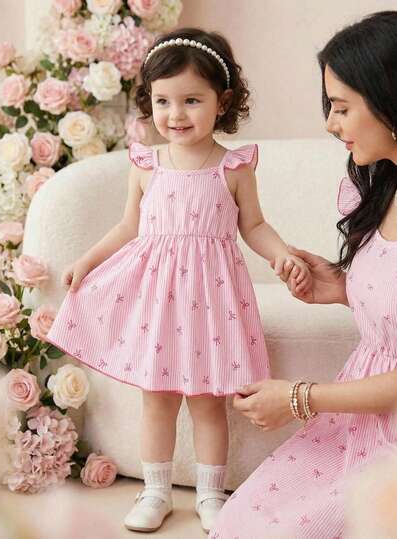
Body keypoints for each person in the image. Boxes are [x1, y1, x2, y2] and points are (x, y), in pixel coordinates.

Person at [45, 27, 311, 533]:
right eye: (163, 101)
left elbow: (254, 226)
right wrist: (88, 260)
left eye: (192, 100)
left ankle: (211, 494)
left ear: (221, 102)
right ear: (149, 101)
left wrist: (281, 254)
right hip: (159, 303)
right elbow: (127, 226)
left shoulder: (233, 167)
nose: (176, 114)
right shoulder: (147, 164)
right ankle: (156, 491)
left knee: (209, 404)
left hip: (212, 302)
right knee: (158, 400)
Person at [210, 10, 397, 538]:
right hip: (360, 424)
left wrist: (298, 398)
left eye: (342, 107)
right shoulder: (381, 186)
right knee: (242, 523)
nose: (330, 124)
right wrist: (341, 286)